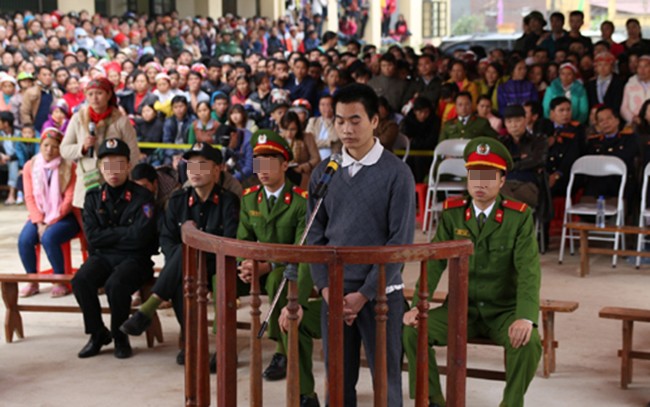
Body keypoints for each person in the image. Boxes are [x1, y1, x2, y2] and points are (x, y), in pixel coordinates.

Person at [403, 136, 542, 407]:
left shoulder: (519, 216)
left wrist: (525, 317)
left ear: (502, 181)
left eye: (489, 177)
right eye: (474, 175)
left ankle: (511, 403)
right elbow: (434, 261)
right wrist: (418, 305)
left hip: (502, 310)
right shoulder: (453, 213)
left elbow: (529, 268)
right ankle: (433, 400)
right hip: (459, 309)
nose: (480, 183)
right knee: (412, 330)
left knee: (530, 342)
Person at [307, 83, 415, 406]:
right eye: (340, 121)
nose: (346, 129)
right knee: (337, 383)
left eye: (355, 120)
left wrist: (363, 294)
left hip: (381, 294)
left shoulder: (397, 174)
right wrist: (326, 289)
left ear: (374, 121)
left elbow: (399, 243)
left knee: (386, 384)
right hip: (335, 293)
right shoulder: (325, 172)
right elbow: (314, 235)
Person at [120, 142, 239, 366]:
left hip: (217, 264)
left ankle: (150, 310)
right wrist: (184, 256)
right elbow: (167, 239)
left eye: (203, 166)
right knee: (181, 270)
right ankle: (193, 342)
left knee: (186, 256)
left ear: (216, 170)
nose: (195, 172)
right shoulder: (177, 200)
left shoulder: (228, 202)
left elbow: (229, 242)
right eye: (191, 166)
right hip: (184, 265)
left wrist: (191, 252)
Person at [235, 130, 318, 406]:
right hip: (262, 267)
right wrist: (245, 264)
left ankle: (282, 351)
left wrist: (265, 265)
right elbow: (243, 239)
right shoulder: (248, 199)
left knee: (275, 282)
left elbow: (299, 251)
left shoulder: (299, 200)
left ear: (285, 165)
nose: (263, 171)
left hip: (293, 268)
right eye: (259, 164)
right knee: (217, 279)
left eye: (271, 164)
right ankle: (224, 350)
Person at [72, 138, 158, 359]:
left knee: (116, 284)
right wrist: (122, 235)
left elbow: (141, 238)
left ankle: (120, 336)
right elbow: (92, 238)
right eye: (108, 166)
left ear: (128, 166)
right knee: (81, 280)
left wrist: (109, 236)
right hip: (103, 257)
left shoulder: (143, 197)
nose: (113, 171)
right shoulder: (92, 198)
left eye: (119, 165)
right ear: (100, 168)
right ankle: (97, 333)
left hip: (135, 260)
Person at [60, 77, 140, 213]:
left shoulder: (120, 121)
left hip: (114, 180)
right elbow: (64, 150)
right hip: (87, 179)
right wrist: (82, 148)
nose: (95, 98)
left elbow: (133, 153)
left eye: (99, 93)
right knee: (90, 226)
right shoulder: (78, 118)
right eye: (90, 94)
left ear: (109, 95)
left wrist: (122, 175)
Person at [18, 128, 79, 298]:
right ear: (40, 145)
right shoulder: (31, 166)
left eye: (54, 147)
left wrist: (51, 221)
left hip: (65, 216)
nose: (49, 150)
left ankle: (60, 280)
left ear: (60, 148)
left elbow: (69, 198)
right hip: (39, 216)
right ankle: (32, 280)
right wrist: (39, 223)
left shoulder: (69, 166)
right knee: (24, 240)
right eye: (45, 145)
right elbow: (29, 197)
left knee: (49, 238)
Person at [585, 106, 638, 200]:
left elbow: (626, 157)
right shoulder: (593, 142)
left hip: (620, 183)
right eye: (601, 120)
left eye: (609, 118)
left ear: (617, 121)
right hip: (598, 184)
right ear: (597, 125)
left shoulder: (629, 139)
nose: (605, 123)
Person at [499, 105, 548, 208]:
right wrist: (520, 158)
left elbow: (537, 160)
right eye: (509, 121)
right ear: (505, 124)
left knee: (501, 198)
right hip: (506, 183)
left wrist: (510, 163)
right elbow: (498, 163)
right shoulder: (501, 142)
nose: (514, 125)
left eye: (517, 121)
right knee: (497, 190)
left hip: (529, 185)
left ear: (525, 121)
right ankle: (514, 221)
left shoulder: (538, 140)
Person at [546, 96, 584, 197]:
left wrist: (557, 174)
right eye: (561, 110)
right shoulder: (544, 127)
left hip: (566, 172)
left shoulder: (577, 129)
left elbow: (573, 155)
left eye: (568, 110)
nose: (565, 114)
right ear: (552, 113)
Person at [279, 111, 320, 190]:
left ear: (298, 128)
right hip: (282, 174)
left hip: (301, 174)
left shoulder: (307, 137)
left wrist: (305, 166)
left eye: (292, 130)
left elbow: (316, 158)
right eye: (285, 129)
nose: (289, 133)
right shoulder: (278, 139)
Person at [20, 65, 62, 131]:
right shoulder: (30, 92)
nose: (47, 77)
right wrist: (29, 126)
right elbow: (25, 111)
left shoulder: (57, 93)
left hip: (52, 128)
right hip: (35, 128)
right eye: (44, 75)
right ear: (39, 76)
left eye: (49, 75)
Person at [306, 95, 340, 159]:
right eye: (323, 104)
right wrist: (328, 142)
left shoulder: (338, 121)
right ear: (319, 107)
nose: (326, 107)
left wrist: (329, 122)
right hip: (315, 160)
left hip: (334, 159)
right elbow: (309, 142)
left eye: (328, 104)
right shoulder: (313, 121)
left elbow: (335, 139)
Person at [621, 55, 650, 125]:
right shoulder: (630, 84)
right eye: (639, 67)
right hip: (635, 124)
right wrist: (633, 118)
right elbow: (624, 107)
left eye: (646, 66)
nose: (642, 70)